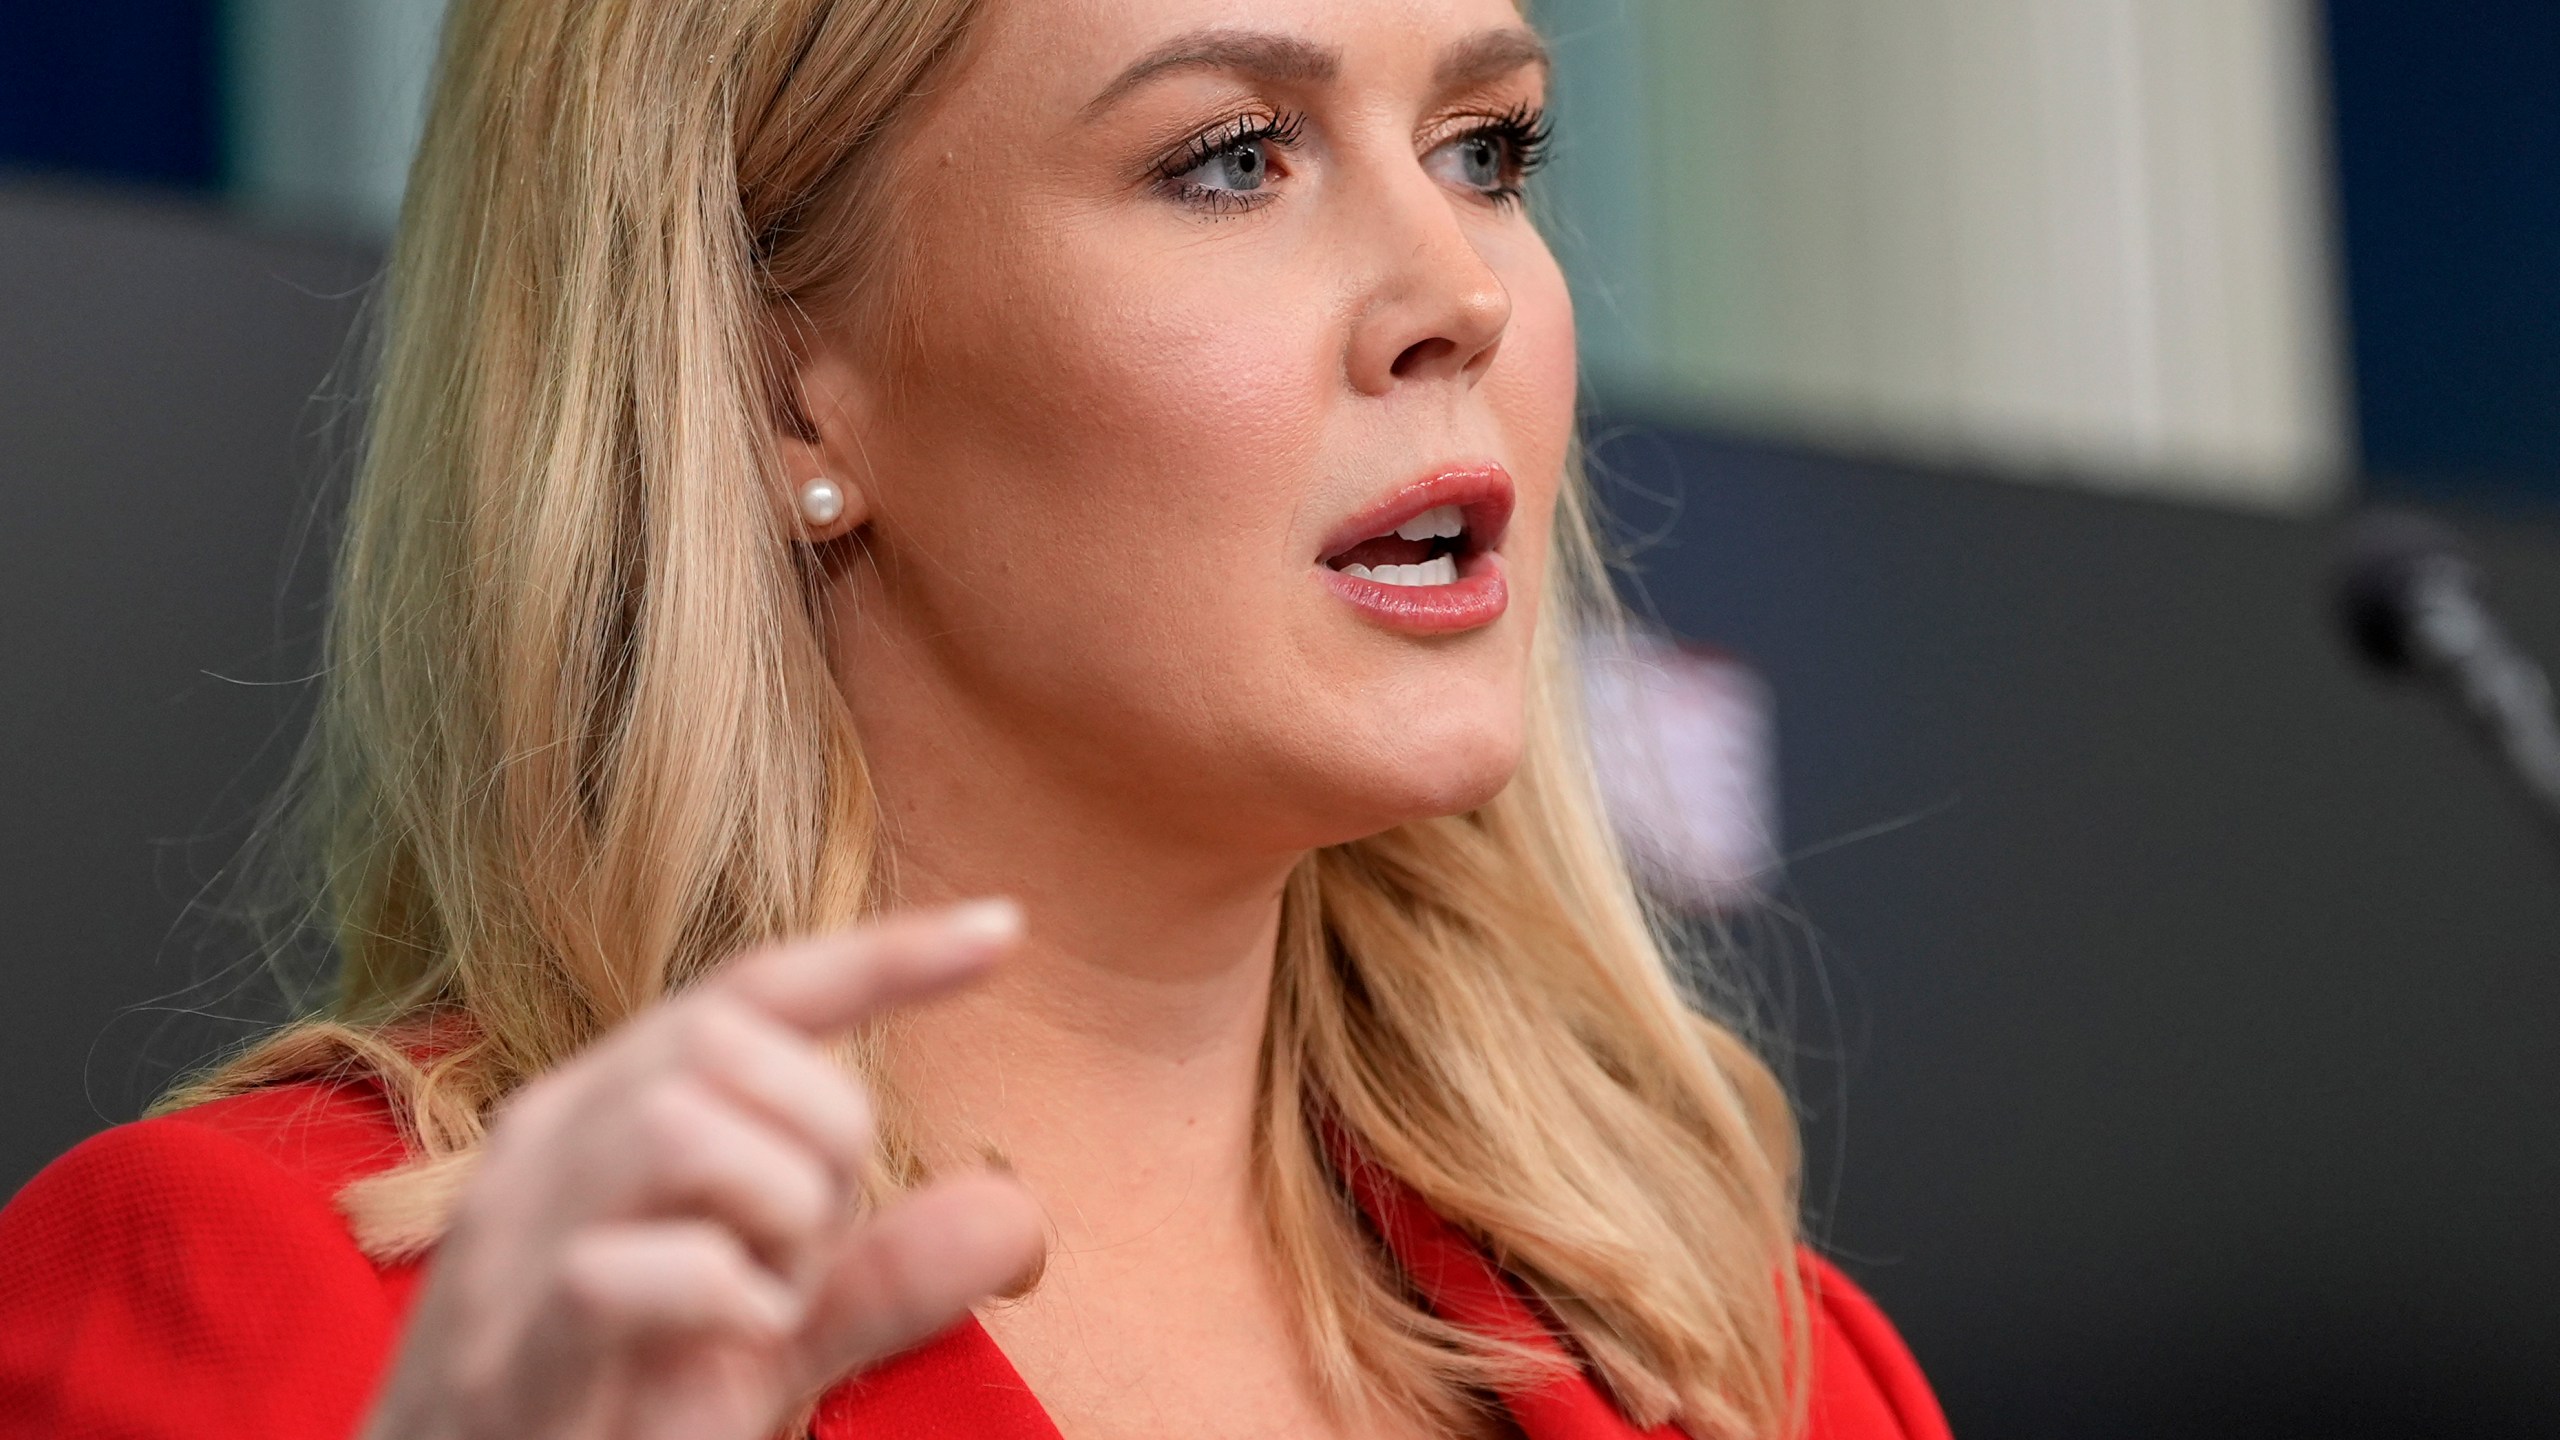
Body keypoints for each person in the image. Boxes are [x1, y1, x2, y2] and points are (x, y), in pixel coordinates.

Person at [0, 1, 1952, 1437]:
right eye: (1227, 160)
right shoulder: (288, 1320)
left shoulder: (1751, 1365)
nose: (1455, 288)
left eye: (1482, 147)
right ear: (780, 387)